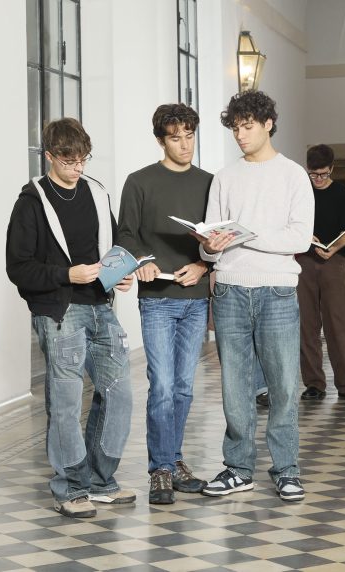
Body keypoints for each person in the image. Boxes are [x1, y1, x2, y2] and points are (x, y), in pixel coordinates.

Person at [6, 118, 135, 518]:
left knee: (119, 393)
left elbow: (113, 244)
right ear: (50, 156)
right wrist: (67, 275)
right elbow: (18, 268)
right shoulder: (31, 202)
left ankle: (99, 479)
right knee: (65, 402)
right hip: (60, 312)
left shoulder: (96, 192)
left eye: (83, 159)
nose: (78, 167)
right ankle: (70, 487)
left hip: (101, 307)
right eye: (69, 160)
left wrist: (119, 273)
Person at [195, 91, 312, 502]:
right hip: (230, 289)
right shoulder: (224, 177)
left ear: (268, 124)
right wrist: (210, 247)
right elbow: (210, 247)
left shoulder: (293, 175)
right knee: (235, 386)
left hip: (277, 290)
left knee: (283, 385)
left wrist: (246, 234)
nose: (240, 135)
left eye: (247, 126)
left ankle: (287, 469)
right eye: (235, 128)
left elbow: (299, 238)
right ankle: (238, 468)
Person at [117, 103, 211, 505]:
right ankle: (160, 469)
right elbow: (126, 233)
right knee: (163, 386)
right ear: (161, 140)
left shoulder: (209, 183)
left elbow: (216, 240)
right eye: (176, 138)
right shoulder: (139, 182)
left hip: (195, 297)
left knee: (184, 387)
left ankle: (173, 461)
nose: (185, 144)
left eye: (190, 136)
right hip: (157, 298)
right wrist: (143, 261)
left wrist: (202, 266)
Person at [297, 145, 345, 401]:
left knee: (340, 323)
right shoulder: (300, 191)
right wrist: (305, 236)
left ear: (332, 169)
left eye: (323, 174)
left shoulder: (343, 194)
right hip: (304, 261)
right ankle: (314, 383)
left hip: (334, 262)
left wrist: (333, 248)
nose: (318, 179)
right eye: (313, 174)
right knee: (307, 324)